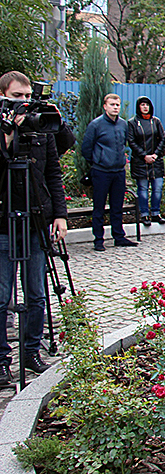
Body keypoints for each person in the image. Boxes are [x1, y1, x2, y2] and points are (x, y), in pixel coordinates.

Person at [0, 71, 67, 382]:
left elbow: (53, 173)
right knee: (2, 295)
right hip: (4, 220)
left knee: (36, 293)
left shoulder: (41, 129)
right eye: (17, 97)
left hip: (37, 218)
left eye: (27, 96)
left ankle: (31, 351)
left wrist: (60, 215)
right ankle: (2, 358)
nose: (24, 103)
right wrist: (8, 136)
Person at [81, 93, 137, 251]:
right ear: (105, 106)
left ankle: (118, 236)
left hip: (118, 171)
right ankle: (98, 239)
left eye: (117, 105)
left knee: (117, 206)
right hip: (101, 172)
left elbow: (124, 143)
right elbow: (86, 148)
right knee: (99, 206)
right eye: (112, 104)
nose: (115, 107)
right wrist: (98, 161)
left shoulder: (123, 124)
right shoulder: (96, 125)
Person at [127, 96, 165, 227]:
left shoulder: (155, 121)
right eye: (142, 105)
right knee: (143, 188)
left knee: (157, 188)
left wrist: (155, 154)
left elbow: (162, 138)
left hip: (156, 161)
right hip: (141, 162)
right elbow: (131, 141)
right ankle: (144, 214)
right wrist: (144, 155)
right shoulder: (133, 122)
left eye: (147, 104)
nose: (145, 107)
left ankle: (156, 213)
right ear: (138, 107)